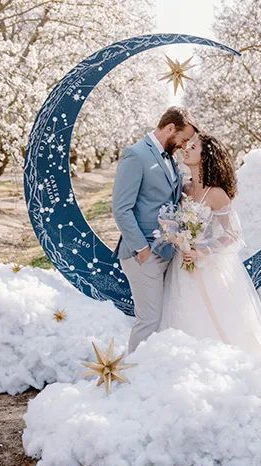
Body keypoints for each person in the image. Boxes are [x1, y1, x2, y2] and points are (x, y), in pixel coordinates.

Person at [159, 133, 261, 382]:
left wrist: (201, 250)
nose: (186, 149)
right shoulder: (184, 188)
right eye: (187, 145)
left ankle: (224, 375)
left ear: (205, 156)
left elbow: (232, 234)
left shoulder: (216, 193)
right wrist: (177, 237)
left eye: (193, 146)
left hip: (206, 266)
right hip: (181, 264)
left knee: (215, 318)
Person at [112, 106, 198, 354]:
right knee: (148, 319)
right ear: (170, 128)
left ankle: (150, 373)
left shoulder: (169, 157)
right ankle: (134, 377)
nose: (184, 146)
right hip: (143, 254)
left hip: (166, 251)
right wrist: (142, 249)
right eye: (183, 139)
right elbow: (121, 209)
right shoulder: (135, 155)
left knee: (161, 319)